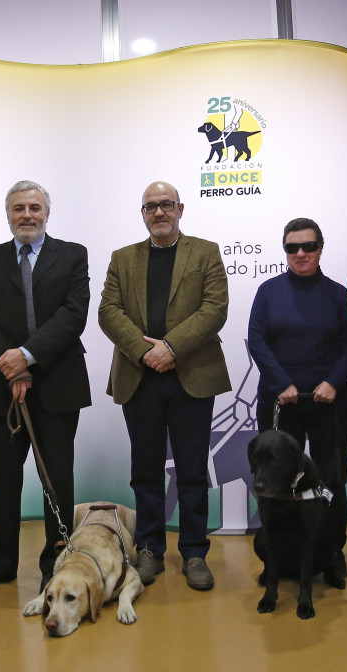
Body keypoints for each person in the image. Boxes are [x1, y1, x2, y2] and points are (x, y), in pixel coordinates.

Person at [98, 180, 231, 591]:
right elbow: (108, 311)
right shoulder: (123, 258)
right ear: (143, 213)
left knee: (192, 471)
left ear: (180, 209)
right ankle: (150, 549)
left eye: (166, 205)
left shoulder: (205, 252)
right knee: (146, 471)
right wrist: (146, 352)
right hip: (140, 378)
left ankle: (194, 552)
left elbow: (215, 309)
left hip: (193, 376)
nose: (159, 212)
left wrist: (171, 347)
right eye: (151, 206)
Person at [0, 180, 91, 594]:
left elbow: (74, 315)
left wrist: (28, 356)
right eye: (19, 208)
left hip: (58, 384)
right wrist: (13, 364)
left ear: (47, 213)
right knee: (3, 478)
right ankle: (1, 563)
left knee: (57, 478)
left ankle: (57, 561)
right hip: (3, 386)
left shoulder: (72, 255)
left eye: (35, 208)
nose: (27, 215)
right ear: (8, 214)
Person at [247, 218, 347, 584]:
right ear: (285, 251)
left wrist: (333, 382)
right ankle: (280, 556)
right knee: (278, 483)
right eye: (292, 247)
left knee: (332, 480)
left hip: (331, 405)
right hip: (281, 404)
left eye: (308, 246)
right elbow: (257, 341)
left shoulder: (338, 295)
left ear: (320, 249)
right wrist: (281, 383)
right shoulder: (268, 292)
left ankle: (332, 554)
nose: (300, 253)